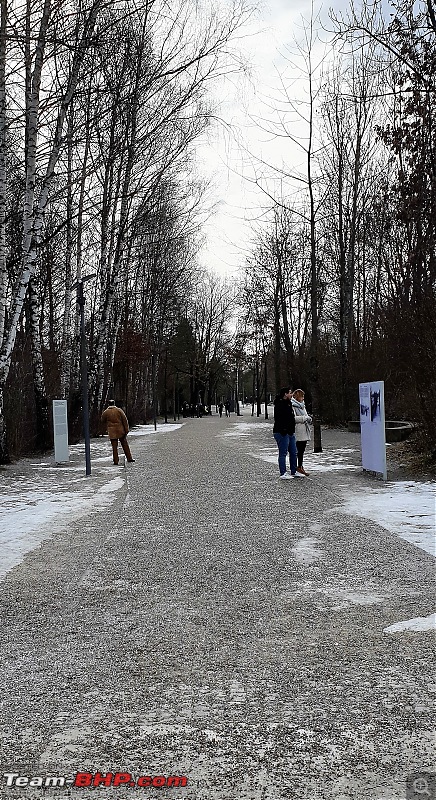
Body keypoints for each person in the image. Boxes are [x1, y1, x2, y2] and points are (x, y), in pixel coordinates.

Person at [273, 386, 299, 479]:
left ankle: (294, 470)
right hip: (282, 432)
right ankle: (283, 472)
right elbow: (279, 418)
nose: (291, 394)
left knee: (294, 452)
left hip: (290, 431)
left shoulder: (288, 403)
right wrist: (283, 429)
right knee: (283, 452)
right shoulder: (280, 404)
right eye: (290, 393)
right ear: (285, 394)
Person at [101, 400, 135, 465]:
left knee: (114, 447)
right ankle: (129, 458)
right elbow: (125, 420)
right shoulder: (119, 410)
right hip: (120, 430)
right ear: (114, 403)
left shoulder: (106, 412)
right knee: (125, 445)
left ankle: (116, 461)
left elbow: (102, 420)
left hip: (112, 431)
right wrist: (126, 430)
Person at [292, 389, 312, 476]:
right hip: (298, 430)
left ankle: (300, 466)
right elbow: (293, 419)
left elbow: (306, 415)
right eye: (302, 396)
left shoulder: (302, 406)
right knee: (298, 450)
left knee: (302, 450)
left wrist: (308, 418)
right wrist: (304, 418)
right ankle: (296, 467)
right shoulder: (293, 406)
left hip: (304, 429)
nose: (303, 398)